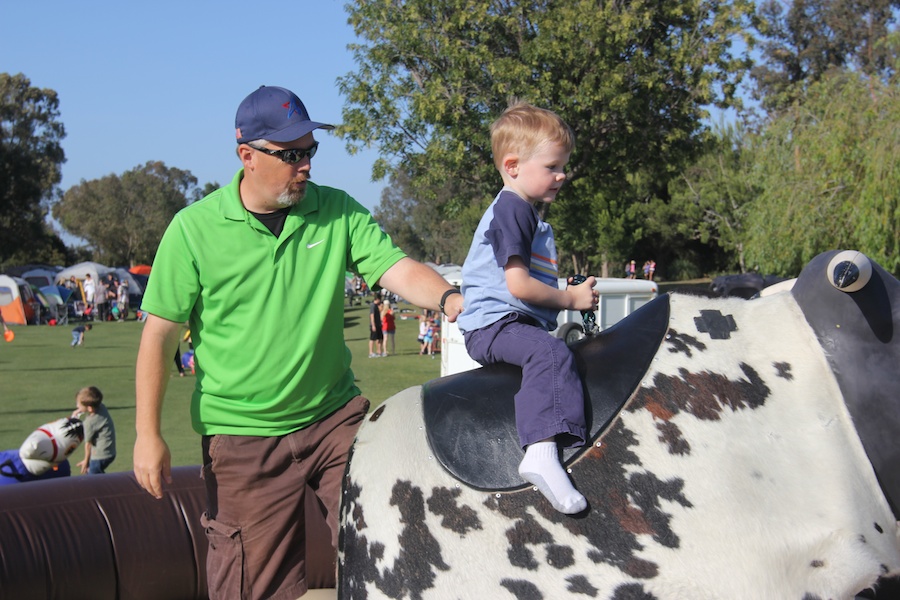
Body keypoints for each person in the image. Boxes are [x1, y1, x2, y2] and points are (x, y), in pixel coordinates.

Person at [132, 84, 464, 600]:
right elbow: (158, 336)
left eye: (309, 151)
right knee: (250, 588)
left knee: (401, 543)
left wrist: (450, 300)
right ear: (247, 156)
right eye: (290, 154)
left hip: (334, 420)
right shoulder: (192, 230)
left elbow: (394, 267)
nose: (304, 165)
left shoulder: (337, 211)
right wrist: (146, 434)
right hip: (243, 438)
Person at [455, 102, 598, 515]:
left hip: (505, 321)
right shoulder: (513, 207)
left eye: (563, 166)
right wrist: (570, 300)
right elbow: (518, 286)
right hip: (494, 326)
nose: (562, 174)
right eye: (553, 166)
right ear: (513, 165)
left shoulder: (522, 212)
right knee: (551, 352)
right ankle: (540, 451)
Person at [71, 386, 116, 474]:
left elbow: (88, 445)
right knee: (95, 474)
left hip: (100, 455)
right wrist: (81, 410)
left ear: (90, 408)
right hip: (110, 452)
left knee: (94, 477)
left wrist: (86, 461)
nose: (77, 406)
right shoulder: (102, 407)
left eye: (79, 405)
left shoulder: (89, 423)